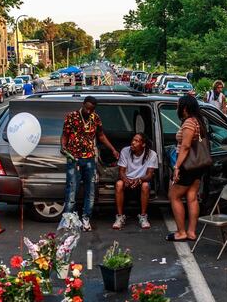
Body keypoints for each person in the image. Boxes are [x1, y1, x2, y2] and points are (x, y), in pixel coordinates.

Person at [60, 96, 119, 231]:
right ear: (83, 105)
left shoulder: (95, 118)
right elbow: (65, 135)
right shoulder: (72, 117)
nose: (88, 111)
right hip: (74, 159)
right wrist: (63, 146)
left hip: (89, 159)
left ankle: (86, 219)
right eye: (86, 108)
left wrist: (113, 149)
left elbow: (101, 135)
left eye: (91, 109)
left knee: (90, 190)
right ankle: (68, 219)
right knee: (72, 190)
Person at [167, 95, 208, 242]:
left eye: (178, 105)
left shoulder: (189, 123)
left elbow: (185, 146)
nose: (176, 108)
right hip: (197, 166)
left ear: (184, 108)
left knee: (174, 196)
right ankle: (191, 232)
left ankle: (181, 232)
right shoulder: (198, 121)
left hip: (187, 165)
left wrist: (177, 167)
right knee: (191, 197)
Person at [112, 133, 157, 230]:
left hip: (141, 181)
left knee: (145, 185)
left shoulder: (152, 154)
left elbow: (149, 175)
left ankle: (143, 216)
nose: (133, 143)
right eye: (133, 140)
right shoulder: (125, 151)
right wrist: (126, 180)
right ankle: (120, 216)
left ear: (143, 144)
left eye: (136, 141)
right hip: (127, 180)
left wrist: (139, 179)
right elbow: (121, 172)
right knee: (119, 184)